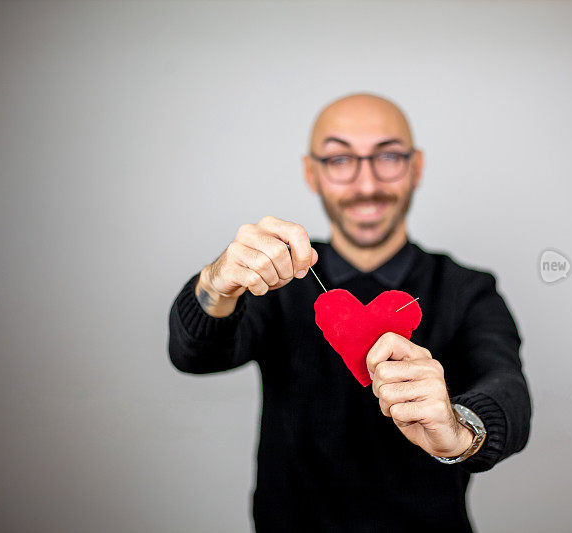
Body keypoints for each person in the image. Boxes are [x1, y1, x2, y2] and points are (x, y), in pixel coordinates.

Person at [167, 93, 532, 532]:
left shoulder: (467, 290)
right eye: (340, 160)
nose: (366, 184)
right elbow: (195, 356)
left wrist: (459, 431)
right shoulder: (276, 282)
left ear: (416, 167)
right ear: (312, 173)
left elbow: (508, 387)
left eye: (389, 157)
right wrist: (215, 284)